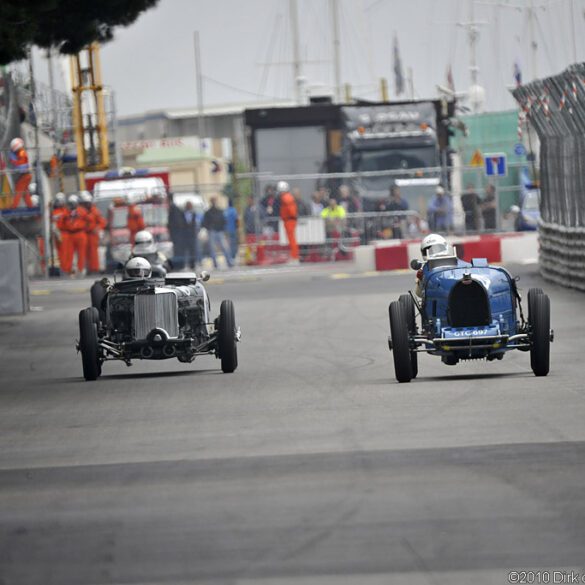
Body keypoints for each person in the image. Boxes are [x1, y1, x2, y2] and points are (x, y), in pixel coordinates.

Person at [57, 194, 89, 276]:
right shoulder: (66, 212)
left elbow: (88, 221)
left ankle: (81, 269)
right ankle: (68, 270)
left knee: (81, 253)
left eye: (73, 203)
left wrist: (86, 228)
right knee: (69, 253)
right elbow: (61, 221)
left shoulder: (82, 211)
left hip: (80, 233)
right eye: (70, 203)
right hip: (70, 234)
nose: (71, 205)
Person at [202, 196, 234, 268]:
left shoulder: (220, 211)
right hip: (212, 232)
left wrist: (222, 228)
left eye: (214, 201)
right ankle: (215, 264)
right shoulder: (208, 212)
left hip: (219, 231)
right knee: (212, 249)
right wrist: (209, 228)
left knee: (225, 247)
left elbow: (223, 220)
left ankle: (229, 262)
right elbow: (204, 223)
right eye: (212, 201)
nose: (213, 202)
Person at [80, 190, 106, 274]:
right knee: (84, 252)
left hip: (92, 235)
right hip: (83, 233)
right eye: (84, 203)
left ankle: (94, 269)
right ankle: (86, 268)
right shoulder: (80, 211)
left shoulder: (95, 211)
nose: (86, 204)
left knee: (93, 252)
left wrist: (97, 228)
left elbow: (102, 222)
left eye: (87, 203)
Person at [277, 180, 299, 264]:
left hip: (289, 220)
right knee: (291, 239)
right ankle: (294, 257)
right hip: (289, 220)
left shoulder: (286, 197)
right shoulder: (287, 197)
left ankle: (295, 257)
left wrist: (291, 216)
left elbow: (291, 210)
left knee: (292, 240)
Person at [174, 200, 199, 270]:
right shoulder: (182, 214)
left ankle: (192, 264)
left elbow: (195, 224)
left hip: (192, 235)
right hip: (184, 235)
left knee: (192, 250)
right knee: (184, 250)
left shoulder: (194, 214)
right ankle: (184, 264)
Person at [9, 137, 33, 208]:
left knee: (18, 190)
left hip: (25, 175)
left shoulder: (21, 153)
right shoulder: (22, 152)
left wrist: (14, 161)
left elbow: (21, 165)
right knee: (25, 192)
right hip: (26, 175)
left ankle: (13, 207)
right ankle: (30, 206)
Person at [51, 192, 67, 270]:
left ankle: (65, 268)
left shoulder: (65, 210)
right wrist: (57, 233)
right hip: (58, 232)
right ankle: (62, 268)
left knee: (66, 252)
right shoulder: (54, 212)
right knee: (60, 252)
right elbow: (53, 223)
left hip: (65, 232)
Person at [224, 198, 239, 262]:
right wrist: (237, 227)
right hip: (233, 229)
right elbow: (236, 220)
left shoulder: (226, 211)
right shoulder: (234, 210)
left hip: (227, 229)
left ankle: (229, 256)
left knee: (228, 243)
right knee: (234, 243)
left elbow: (224, 220)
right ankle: (233, 255)